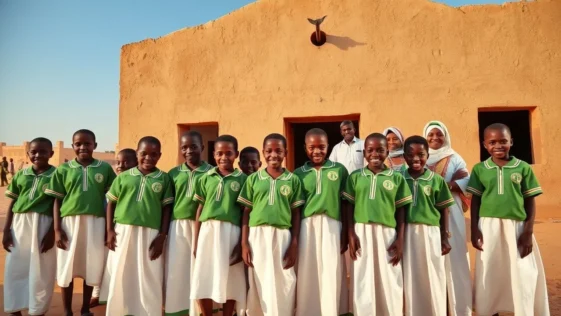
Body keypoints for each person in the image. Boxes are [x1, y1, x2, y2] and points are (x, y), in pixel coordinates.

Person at [468, 123, 550, 316]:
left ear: (511, 142)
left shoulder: (522, 168)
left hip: (517, 227)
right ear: (485, 144)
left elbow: (530, 201)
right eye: (492, 142)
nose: (498, 145)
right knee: (491, 269)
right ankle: (491, 310)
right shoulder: (480, 169)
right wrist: (474, 229)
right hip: (488, 226)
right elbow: (476, 201)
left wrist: (528, 232)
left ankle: (523, 309)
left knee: (522, 271)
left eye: (503, 141)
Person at [45, 129, 116, 316]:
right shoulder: (63, 169)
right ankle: (68, 311)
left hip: (95, 222)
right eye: (78, 144)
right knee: (67, 267)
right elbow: (57, 200)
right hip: (69, 222)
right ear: (73, 146)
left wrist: (108, 228)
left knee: (90, 266)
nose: (83, 147)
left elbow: (112, 200)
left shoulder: (104, 168)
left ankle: (85, 309)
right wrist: (57, 229)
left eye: (87, 143)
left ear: (95, 146)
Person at [343, 133, 412, 316]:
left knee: (390, 275)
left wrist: (400, 239)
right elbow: (348, 206)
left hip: (387, 232)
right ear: (364, 153)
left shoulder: (396, 178)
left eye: (380, 150)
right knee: (363, 276)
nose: (375, 154)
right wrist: (350, 233)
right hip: (361, 231)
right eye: (371, 150)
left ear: (387, 152)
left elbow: (401, 211)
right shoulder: (355, 177)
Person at [104, 136, 174, 315]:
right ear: (137, 154)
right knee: (121, 271)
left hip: (151, 233)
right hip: (123, 230)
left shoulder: (164, 179)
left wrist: (162, 236)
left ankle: (148, 311)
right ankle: (119, 310)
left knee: (149, 273)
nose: (148, 158)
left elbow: (167, 209)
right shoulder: (124, 177)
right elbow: (111, 203)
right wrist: (110, 230)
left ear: (159, 155)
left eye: (153, 154)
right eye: (144, 154)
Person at [238, 133, 305, 316]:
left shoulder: (293, 180)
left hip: (283, 235)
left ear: (286, 152)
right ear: (263, 153)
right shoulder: (253, 180)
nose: (273, 155)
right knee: (259, 277)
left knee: (284, 278)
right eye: (269, 151)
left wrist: (294, 243)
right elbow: (246, 212)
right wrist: (244, 243)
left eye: (278, 151)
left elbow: (296, 213)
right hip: (257, 235)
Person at [293, 128, 349, 316]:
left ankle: (330, 310)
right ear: (305, 148)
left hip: (333, 226)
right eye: (312, 147)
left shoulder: (339, 170)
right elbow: (296, 208)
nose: (317, 151)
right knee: (308, 270)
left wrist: (345, 232)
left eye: (321, 147)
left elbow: (345, 203)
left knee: (330, 269)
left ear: (328, 147)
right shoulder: (298, 174)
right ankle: (307, 311)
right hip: (306, 227)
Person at [191, 135, 247, 316]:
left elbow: (245, 212)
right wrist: (196, 239)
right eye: (219, 153)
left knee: (230, 278)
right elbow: (200, 208)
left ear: (236, 154)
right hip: (208, 231)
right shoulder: (206, 177)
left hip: (232, 232)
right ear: (213, 154)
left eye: (229, 153)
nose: (224, 157)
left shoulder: (243, 179)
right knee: (203, 276)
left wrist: (241, 243)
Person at [401, 136, 455, 316]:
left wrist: (444, 236)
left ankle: (434, 311)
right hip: (405, 232)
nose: (416, 159)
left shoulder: (436, 180)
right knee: (407, 274)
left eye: (421, 154)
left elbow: (443, 210)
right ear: (404, 156)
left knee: (432, 273)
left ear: (427, 155)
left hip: (429, 232)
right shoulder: (397, 178)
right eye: (410, 155)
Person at [423, 120, 473, 316]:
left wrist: (441, 186)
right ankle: (434, 305)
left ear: (445, 135)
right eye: (431, 135)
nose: (435, 138)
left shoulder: (455, 157)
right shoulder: (420, 156)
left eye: (439, 134)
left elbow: (466, 180)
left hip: (452, 213)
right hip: (427, 215)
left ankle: (458, 306)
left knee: (455, 256)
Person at [3, 138, 57, 316]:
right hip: (19, 225)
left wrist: (52, 232)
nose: (38, 155)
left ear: (51, 154)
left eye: (43, 151)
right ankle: (15, 307)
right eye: (33, 152)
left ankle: (37, 309)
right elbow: (13, 202)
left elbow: (58, 204)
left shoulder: (57, 175)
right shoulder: (21, 174)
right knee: (15, 268)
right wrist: (6, 230)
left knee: (41, 270)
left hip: (43, 224)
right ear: (28, 154)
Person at [165, 131, 212, 316]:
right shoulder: (173, 173)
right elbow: (168, 204)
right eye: (184, 147)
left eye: (193, 146)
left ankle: (201, 310)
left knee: (201, 269)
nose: (189, 151)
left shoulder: (211, 172)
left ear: (202, 147)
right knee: (178, 269)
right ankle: (179, 308)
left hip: (203, 226)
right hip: (178, 227)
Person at [93, 148, 138, 307]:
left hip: (124, 230)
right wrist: (108, 230)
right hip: (109, 229)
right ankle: (97, 292)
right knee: (103, 261)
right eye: (118, 162)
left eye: (127, 162)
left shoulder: (136, 183)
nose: (121, 166)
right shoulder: (113, 183)